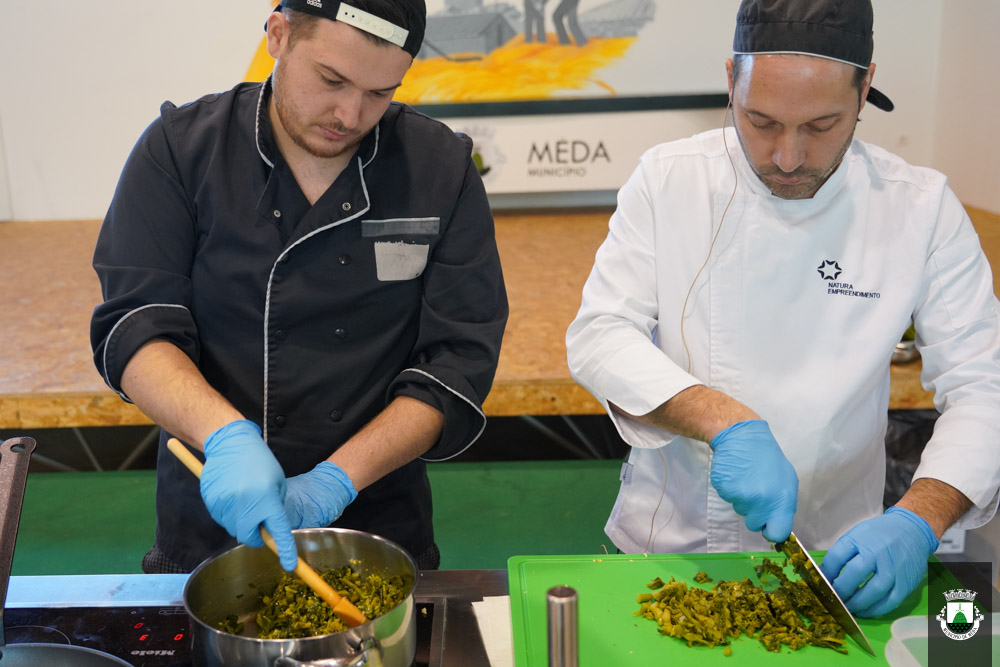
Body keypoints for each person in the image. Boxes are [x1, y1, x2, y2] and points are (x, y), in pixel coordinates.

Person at [566, 0, 1000, 618]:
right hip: (668, 549)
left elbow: (984, 385)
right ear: (730, 80)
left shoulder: (919, 208)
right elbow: (601, 335)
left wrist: (920, 520)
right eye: (760, 120)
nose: (788, 157)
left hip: (839, 562)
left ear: (865, 86)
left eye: (821, 126)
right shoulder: (670, 180)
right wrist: (725, 421)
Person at [91, 0, 508, 575]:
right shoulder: (180, 151)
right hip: (212, 516)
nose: (350, 113)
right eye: (331, 79)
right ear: (279, 35)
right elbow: (135, 327)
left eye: (380, 93)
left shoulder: (441, 169)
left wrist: (339, 479)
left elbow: (458, 361)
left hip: (378, 516)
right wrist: (227, 437)